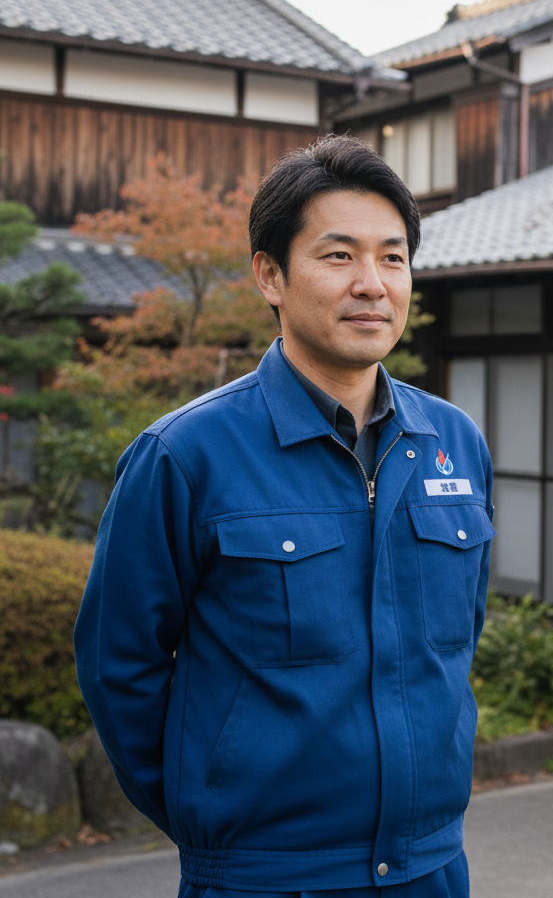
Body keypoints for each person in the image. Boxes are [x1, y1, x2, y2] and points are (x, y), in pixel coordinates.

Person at [75, 136, 494, 898]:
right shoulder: (185, 453)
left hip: (431, 866)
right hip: (260, 877)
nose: (372, 284)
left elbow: (461, 634)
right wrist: (213, 821)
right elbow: (119, 665)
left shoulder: (454, 442)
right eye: (339, 257)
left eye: (392, 258)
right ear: (269, 274)